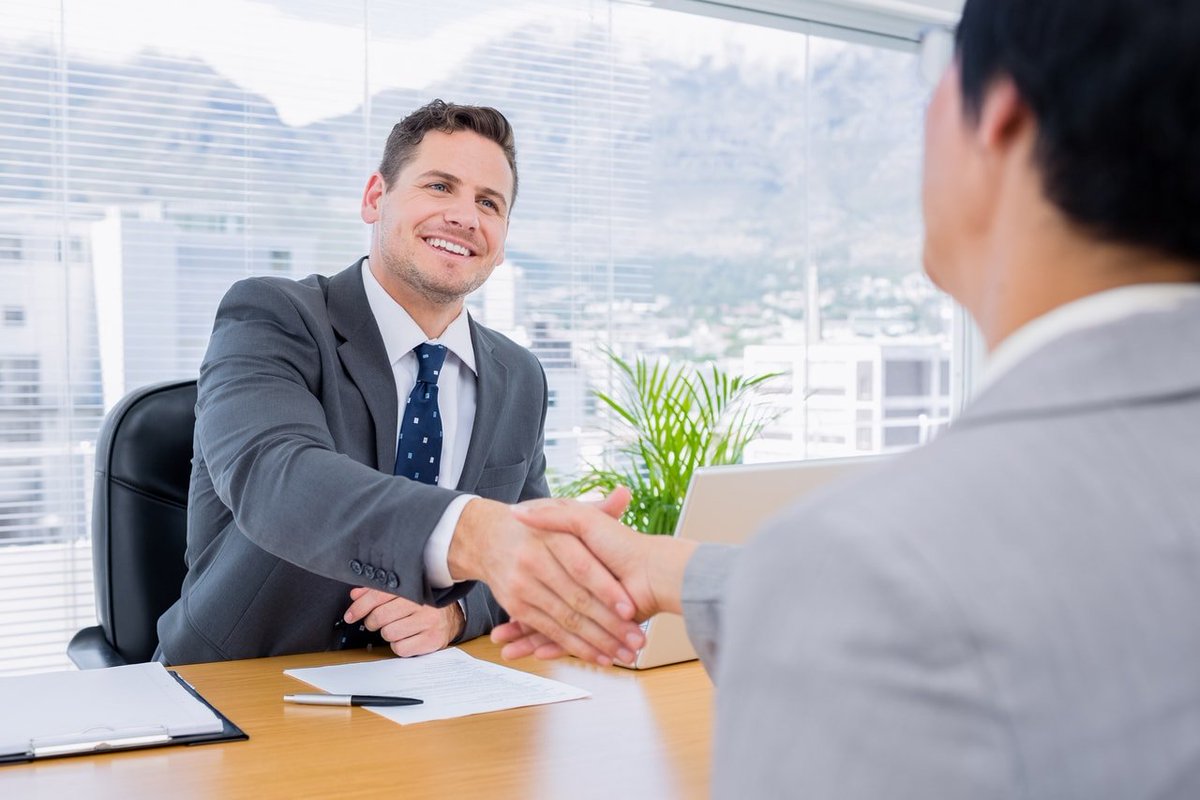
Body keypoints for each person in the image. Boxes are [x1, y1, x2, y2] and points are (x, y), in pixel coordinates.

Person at [495, 0, 1200, 796]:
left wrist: (808, 583)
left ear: (999, 115)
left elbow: (883, 595)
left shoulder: (866, 573)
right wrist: (667, 568)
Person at [156, 100, 644, 666]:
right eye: (440, 186)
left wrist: (455, 612)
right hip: (246, 685)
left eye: (490, 203)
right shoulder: (272, 316)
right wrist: (471, 534)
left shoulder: (520, 376)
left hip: (424, 699)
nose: (465, 216)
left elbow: (520, 561)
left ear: (504, 239)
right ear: (374, 198)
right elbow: (275, 478)